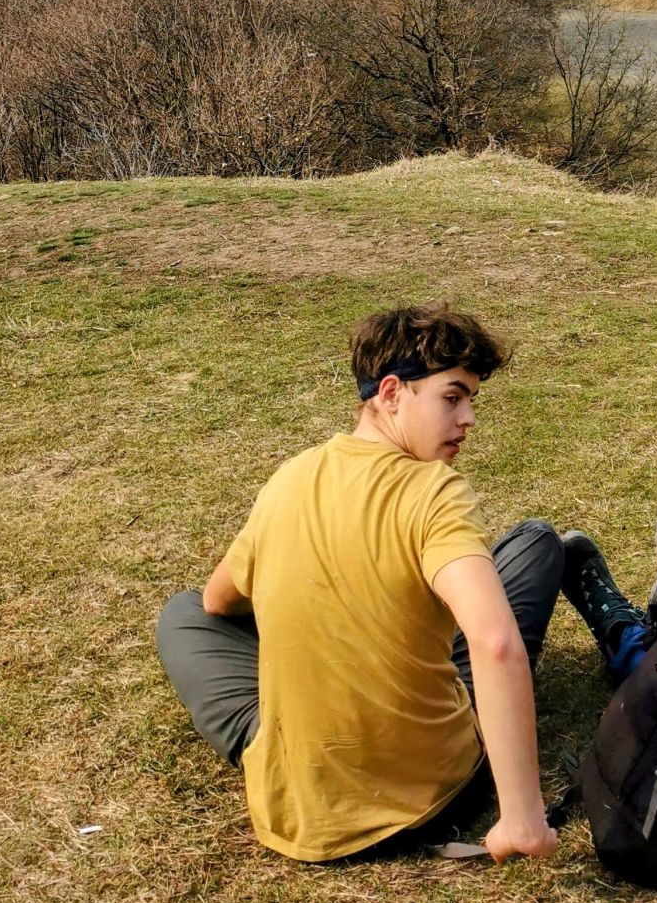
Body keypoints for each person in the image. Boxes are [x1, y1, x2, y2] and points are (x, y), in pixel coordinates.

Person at [154, 305, 564, 864]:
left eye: (470, 399)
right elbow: (494, 643)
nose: (468, 417)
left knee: (181, 614)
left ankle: (295, 734)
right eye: (452, 397)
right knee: (538, 544)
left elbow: (216, 601)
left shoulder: (290, 477)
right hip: (429, 791)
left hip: (295, 799)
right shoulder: (433, 492)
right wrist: (522, 820)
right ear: (391, 393)